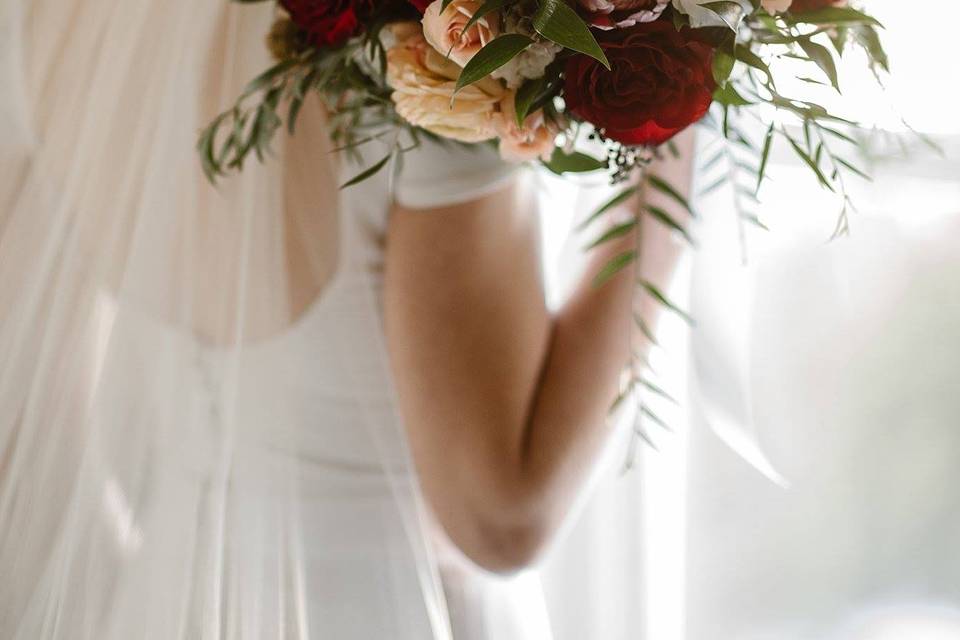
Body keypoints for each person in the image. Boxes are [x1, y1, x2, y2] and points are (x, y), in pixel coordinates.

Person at [0, 1, 692, 637]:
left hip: (163, 595)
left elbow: (30, 399)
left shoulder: (43, 18)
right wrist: (677, 147)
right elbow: (501, 516)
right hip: (385, 609)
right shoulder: (425, 40)